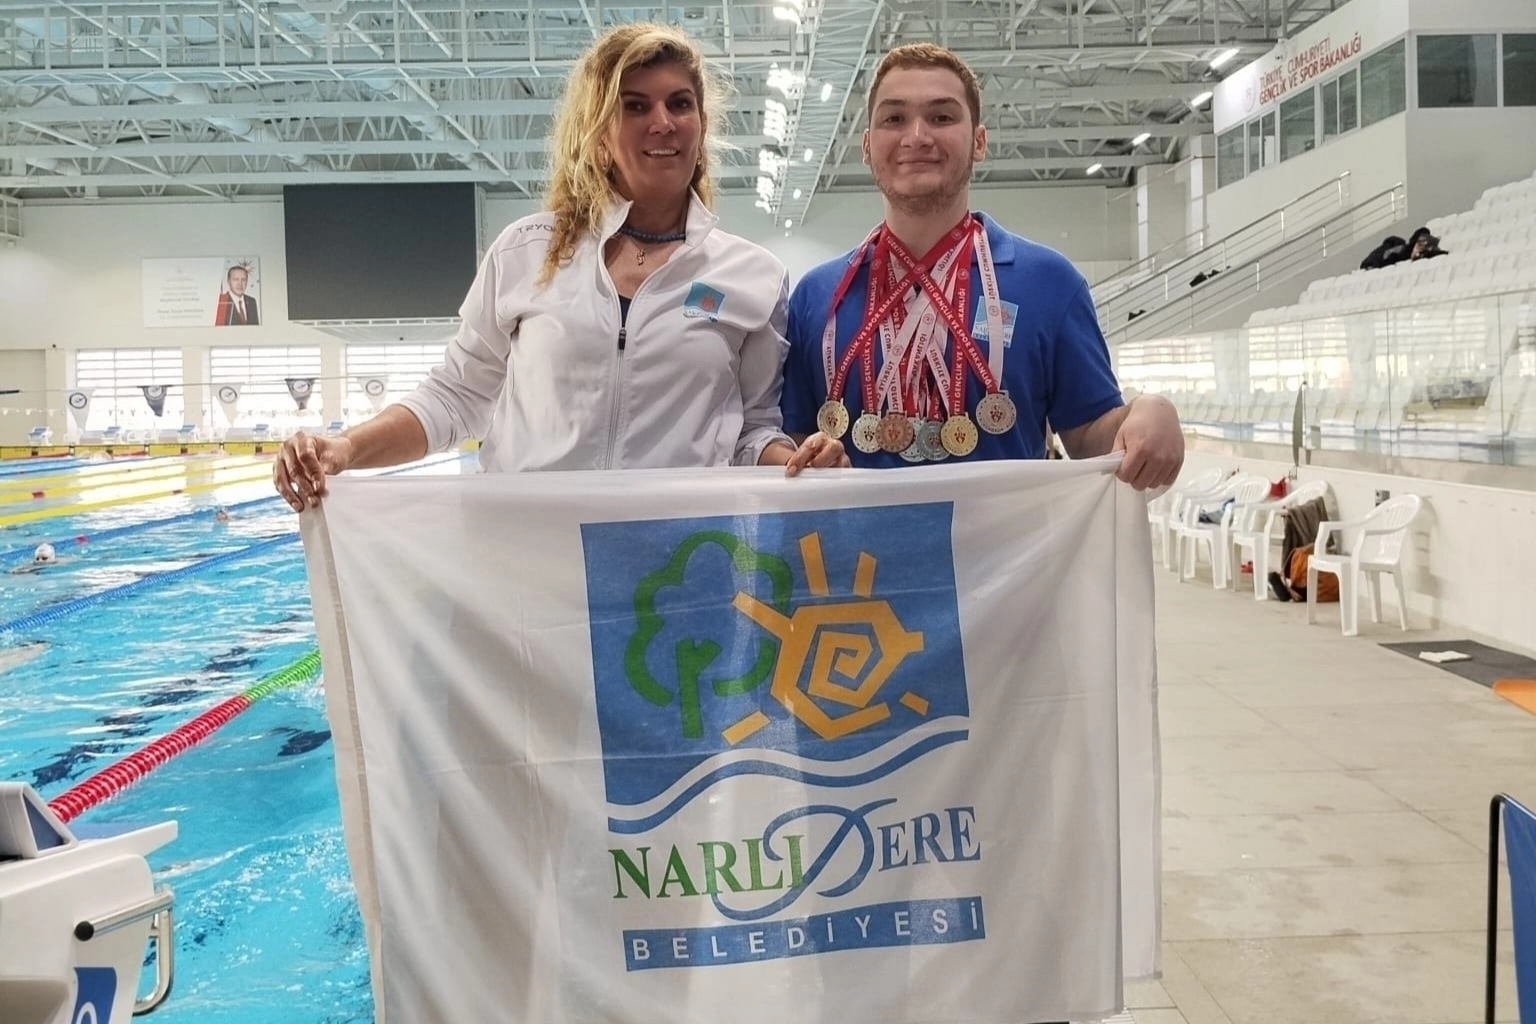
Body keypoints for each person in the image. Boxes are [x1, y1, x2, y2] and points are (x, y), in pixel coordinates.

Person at [274, 24, 843, 512]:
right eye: (634, 105)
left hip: (673, 560)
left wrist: (797, 459)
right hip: (530, 555)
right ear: (599, 135)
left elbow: (750, 432)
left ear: (701, 126)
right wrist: (345, 449)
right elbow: (455, 396)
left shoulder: (752, 275)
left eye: (679, 103)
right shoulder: (526, 252)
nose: (663, 122)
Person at [781, 44, 1183, 490]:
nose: (917, 136)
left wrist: (1149, 411)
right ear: (866, 146)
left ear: (979, 141)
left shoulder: (1050, 283)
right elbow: (791, 444)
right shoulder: (817, 296)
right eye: (894, 118)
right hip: (856, 539)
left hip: (1009, 539)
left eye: (942, 117)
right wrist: (812, 454)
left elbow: (1092, 438)